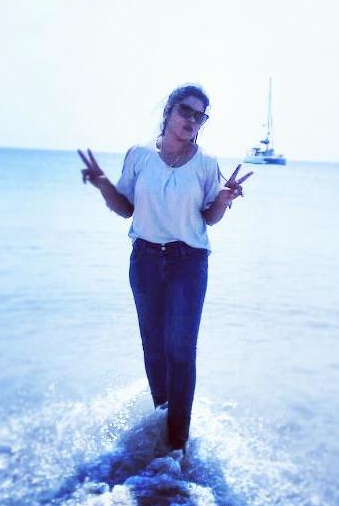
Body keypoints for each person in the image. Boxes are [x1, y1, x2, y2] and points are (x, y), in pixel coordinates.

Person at [77, 85, 252, 454]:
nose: (192, 120)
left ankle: (178, 444)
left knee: (181, 350)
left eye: (200, 116)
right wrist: (103, 184)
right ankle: (163, 421)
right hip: (144, 260)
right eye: (186, 111)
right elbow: (126, 208)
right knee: (154, 349)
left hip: (188, 261)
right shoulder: (140, 155)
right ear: (169, 110)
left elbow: (209, 217)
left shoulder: (206, 163)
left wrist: (224, 199)